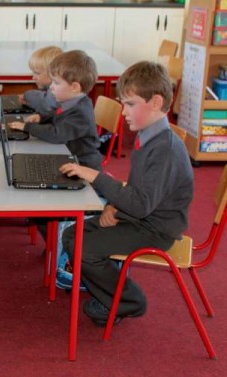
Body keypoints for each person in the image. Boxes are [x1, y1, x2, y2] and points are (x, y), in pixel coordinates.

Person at [59, 61, 194, 327]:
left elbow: (142, 203)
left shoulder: (164, 149)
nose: (124, 113)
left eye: (131, 104)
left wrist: (95, 177)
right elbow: (137, 191)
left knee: (84, 250)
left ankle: (127, 301)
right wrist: (114, 208)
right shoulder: (149, 136)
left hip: (155, 229)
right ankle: (107, 292)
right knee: (71, 234)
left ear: (155, 102)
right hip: (139, 215)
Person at [9, 50, 102, 171]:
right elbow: (58, 114)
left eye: (56, 83)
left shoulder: (81, 113)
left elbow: (57, 135)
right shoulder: (72, 102)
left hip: (82, 165)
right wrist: (42, 117)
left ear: (74, 87)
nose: (51, 87)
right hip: (69, 157)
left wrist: (27, 127)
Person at [18, 45, 63, 114]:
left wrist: (26, 96)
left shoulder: (58, 90)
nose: (33, 77)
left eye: (37, 73)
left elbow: (45, 104)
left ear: (53, 73)